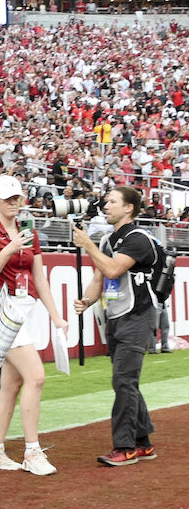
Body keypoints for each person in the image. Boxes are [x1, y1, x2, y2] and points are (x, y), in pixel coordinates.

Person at [0, 174, 66, 476]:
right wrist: (10, 248)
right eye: (7, 198)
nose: (13, 203)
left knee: (12, 385)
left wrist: (55, 316)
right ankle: (32, 450)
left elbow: (40, 278)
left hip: (25, 310)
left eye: (17, 197)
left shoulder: (30, 231)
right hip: (0, 310)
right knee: (36, 377)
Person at [72, 187, 158, 466]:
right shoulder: (109, 239)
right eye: (105, 201)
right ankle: (143, 442)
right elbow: (100, 278)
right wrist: (87, 300)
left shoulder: (138, 239)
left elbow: (113, 270)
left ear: (129, 208)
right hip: (118, 315)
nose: (105, 206)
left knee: (123, 380)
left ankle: (125, 447)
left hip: (137, 315)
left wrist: (87, 245)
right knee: (125, 380)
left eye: (112, 202)